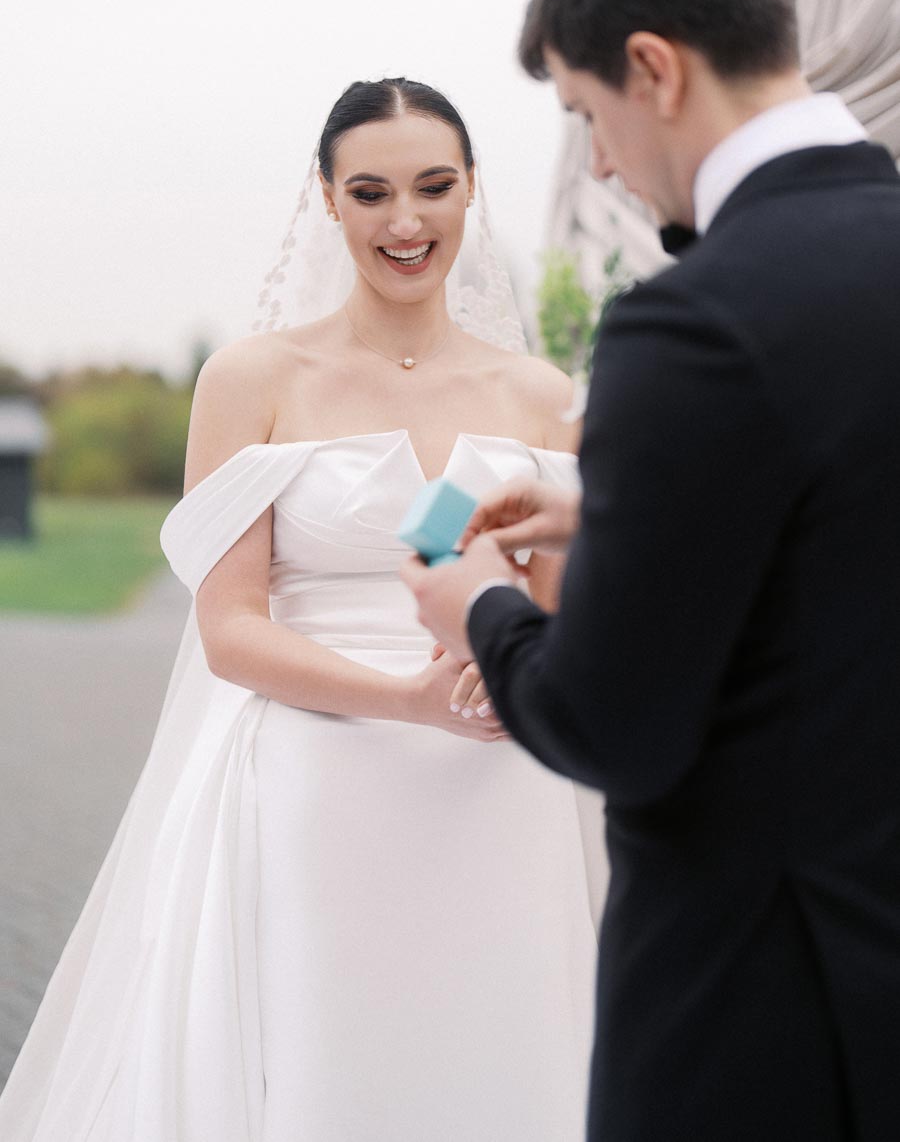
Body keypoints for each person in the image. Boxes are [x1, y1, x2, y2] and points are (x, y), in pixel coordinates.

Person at [0, 78, 605, 1141]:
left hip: (500, 780)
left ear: (473, 193)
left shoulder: (543, 394)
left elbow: (557, 619)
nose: (405, 221)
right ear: (327, 200)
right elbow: (229, 628)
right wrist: (404, 700)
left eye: (433, 187)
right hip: (314, 779)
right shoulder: (253, 379)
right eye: (370, 191)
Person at [402, 0, 900, 1142]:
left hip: (763, 1011)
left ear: (653, 68)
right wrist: (612, 511)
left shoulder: (696, 322)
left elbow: (609, 724)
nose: (606, 164)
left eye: (588, 116)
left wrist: (484, 610)